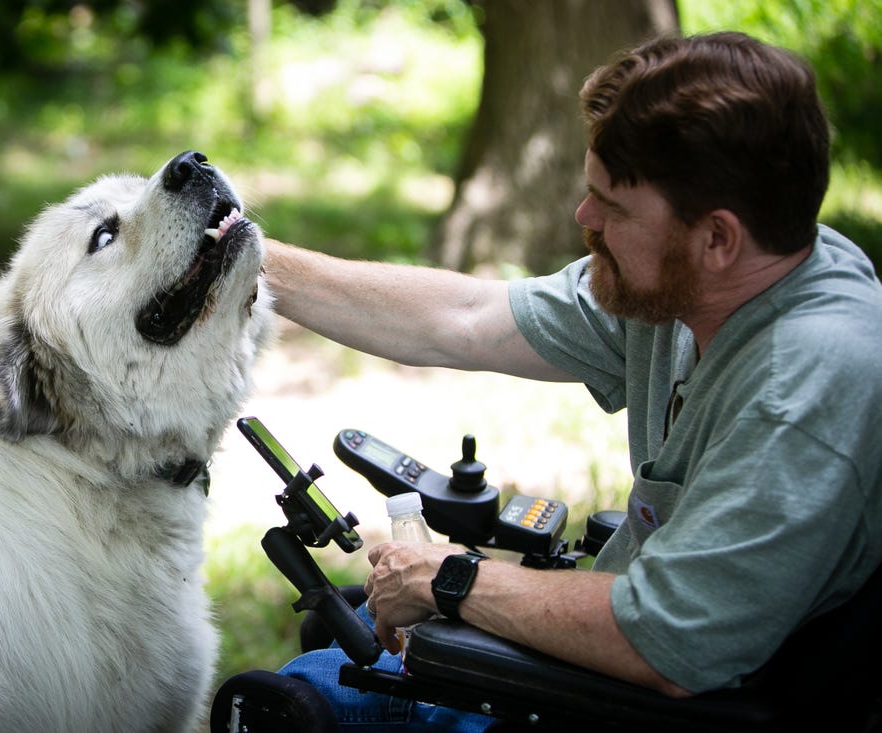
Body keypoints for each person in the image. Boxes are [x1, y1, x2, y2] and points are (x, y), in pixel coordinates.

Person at [263, 31, 882, 731]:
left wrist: (449, 578)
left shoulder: (800, 393)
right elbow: (467, 318)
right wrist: (252, 264)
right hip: (620, 666)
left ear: (717, 238)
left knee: (297, 697)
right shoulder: (699, 285)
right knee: (343, 623)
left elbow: (668, 644)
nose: (584, 219)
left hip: (650, 701)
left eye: (613, 208)